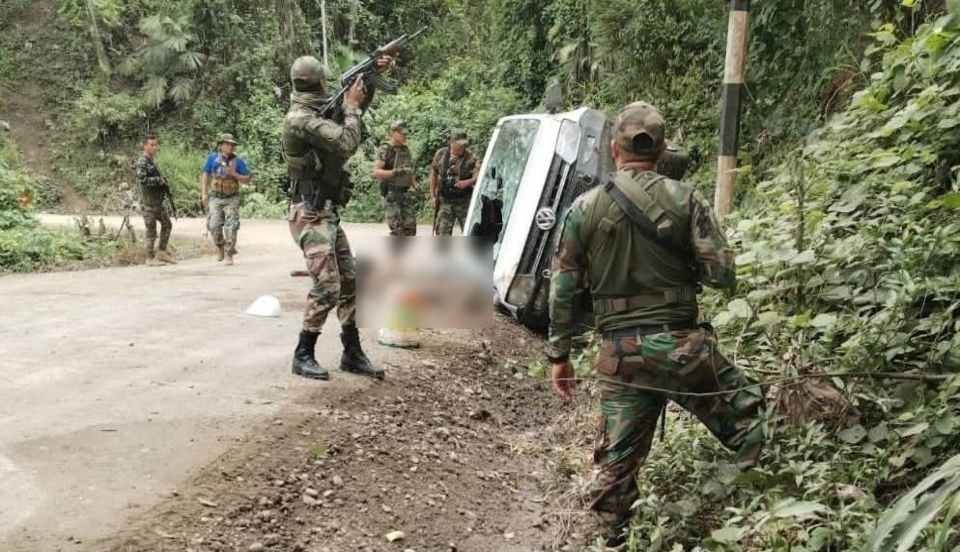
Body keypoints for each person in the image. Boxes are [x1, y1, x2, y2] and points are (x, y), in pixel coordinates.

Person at [545, 102, 765, 546]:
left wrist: (559, 355)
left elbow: (562, 288)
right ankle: (756, 517)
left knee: (616, 469)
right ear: (662, 151)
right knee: (752, 423)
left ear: (614, 148)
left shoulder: (584, 208)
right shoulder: (686, 199)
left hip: (621, 357)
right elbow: (723, 275)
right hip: (683, 349)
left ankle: (613, 538)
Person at [281, 55, 391, 381]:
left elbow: (350, 109)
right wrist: (353, 106)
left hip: (326, 211)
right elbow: (346, 141)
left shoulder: (317, 110)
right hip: (309, 213)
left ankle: (351, 352)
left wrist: (369, 79)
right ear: (318, 82)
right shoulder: (300, 119)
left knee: (350, 280)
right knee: (328, 286)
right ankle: (303, 353)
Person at [201, 133, 251, 265]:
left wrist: (235, 174)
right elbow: (205, 175)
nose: (230, 147)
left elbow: (248, 179)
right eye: (227, 144)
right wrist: (204, 193)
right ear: (221, 145)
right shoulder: (212, 158)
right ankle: (220, 247)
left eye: (232, 145)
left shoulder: (238, 161)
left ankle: (229, 253)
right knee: (213, 225)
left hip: (232, 198)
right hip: (215, 197)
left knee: (231, 226)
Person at [134, 134, 176, 266]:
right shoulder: (142, 162)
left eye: (156, 145)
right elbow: (143, 180)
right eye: (151, 145)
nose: (155, 147)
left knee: (167, 225)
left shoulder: (151, 161)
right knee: (151, 231)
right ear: (145, 146)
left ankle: (161, 252)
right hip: (148, 204)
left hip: (157, 203)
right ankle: (149, 258)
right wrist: (159, 180)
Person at [372, 120, 417, 237]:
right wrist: (395, 172)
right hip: (391, 193)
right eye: (402, 133)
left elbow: (409, 170)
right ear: (393, 133)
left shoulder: (405, 149)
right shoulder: (385, 149)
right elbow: (376, 172)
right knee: (398, 231)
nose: (405, 136)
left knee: (410, 230)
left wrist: (414, 185)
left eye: (406, 134)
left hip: (405, 194)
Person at [430, 129, 478, 235]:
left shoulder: (470, 157)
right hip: (445, 201)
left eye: (464, 144)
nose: (462, 147)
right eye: (460, 144)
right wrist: (433, 196)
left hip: (464, 200)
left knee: (471, 233)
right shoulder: (441, 154)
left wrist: (468, 182)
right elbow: (433, 174)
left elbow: (479, 175)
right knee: (442, 234)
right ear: (451, 142)